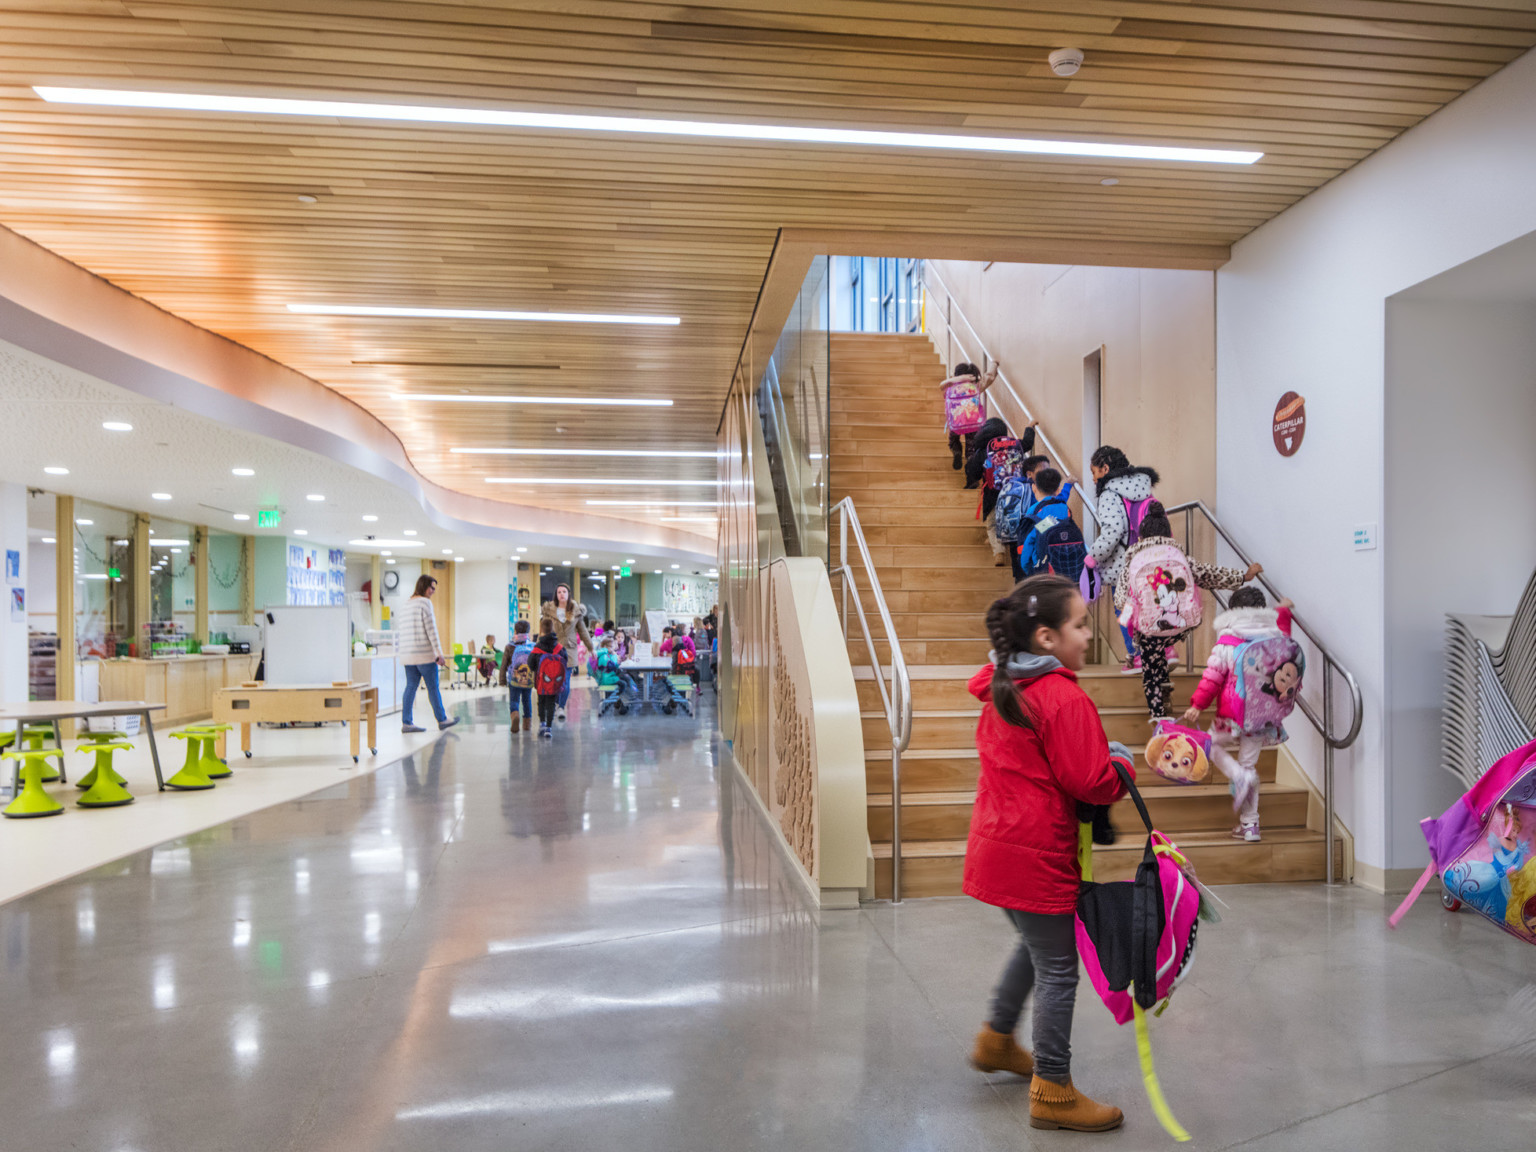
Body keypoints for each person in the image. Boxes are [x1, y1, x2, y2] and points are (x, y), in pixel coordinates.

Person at [964, 575, 1132, 1133]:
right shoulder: (1061, 696)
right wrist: (1125, 766)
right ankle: (1053, 1091)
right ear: (1045, 638)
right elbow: (1091, 782)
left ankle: (995, 1041)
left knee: (1037, 949)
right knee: (1059, 969)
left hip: (996, 848)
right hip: (1036, 855)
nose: (1088, 635)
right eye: (1080, 625)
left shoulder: (1003, 684)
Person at [1115, 502, 1261, 719]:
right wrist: (1242, 577)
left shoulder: (1132, 562)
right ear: (1169, 535)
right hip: (1180, 624)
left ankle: (1158, 713)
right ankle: (1165, 678)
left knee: (1150, 663)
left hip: (1149, 627)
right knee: (1160, 648)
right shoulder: (1179, 557)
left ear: (1141, 537)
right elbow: (1209, 574)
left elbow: (1120, 599)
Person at [1181, 587, 1295, 842]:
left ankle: (1238, 776)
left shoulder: (1227, 643)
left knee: (1210, 746)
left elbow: (1212, 678)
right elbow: (1286, 638)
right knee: (1249, 766)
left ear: (1233, 612)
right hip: (1262, 716)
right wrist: (1284, 611)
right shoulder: (1274, 637)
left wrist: (1197, 705)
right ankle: (1250, 826)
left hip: (1231, 715)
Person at [1083, 446, 1160, 673]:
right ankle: (1159, 654)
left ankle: (1137, 655)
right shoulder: (1143, 489)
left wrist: (1092, 557)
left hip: (1124, 567)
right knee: (1148, 609)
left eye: (1094, 471)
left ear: (1105, 469)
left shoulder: (1109, 494)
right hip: (1150, 561)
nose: (1093, 477)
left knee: (1125, 612)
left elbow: (1113, 531)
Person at [394, 573, 459, 734]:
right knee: (433, 688)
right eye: (432, 588)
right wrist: (439, 653)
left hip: (408, 656)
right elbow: (432, 630)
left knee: (410, 687)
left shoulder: (405, 605)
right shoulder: (425, 603)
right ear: (424, 586)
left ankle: (407, 722)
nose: (433, 591)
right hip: (424, 654)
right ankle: (442, 719)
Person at [1016, 467, 1083, 583]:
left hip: (1042, 568)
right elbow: (1062, 498)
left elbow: (1030, 539)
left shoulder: (1033, 511)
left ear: (1034, 488)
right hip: (1065, 566)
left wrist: (1027, 568)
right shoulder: (1062, 506)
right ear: (1057, 489)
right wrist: (1068, 484)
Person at [540, 583, 593, 722]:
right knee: (553, 679)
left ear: (569, 594)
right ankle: (555, 702)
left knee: (565, 680)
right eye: (559, 592)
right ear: (556, 595)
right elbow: (544, 630)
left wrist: (591, 647)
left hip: (569, 649)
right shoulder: (549, 610)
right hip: (552, 649)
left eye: (564, 591)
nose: (562, 594)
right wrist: (539, 647)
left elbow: (583, 631)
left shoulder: (575, 611)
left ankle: (561, 707)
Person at [941, 361, 997, 470]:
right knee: (971, 447)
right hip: (973, 423)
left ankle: (957, 451)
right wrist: (994, 364)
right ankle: (971, 469)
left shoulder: (950, 388)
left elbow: (941, 386)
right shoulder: (975, 386)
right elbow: (989, 378)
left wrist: (954, 379)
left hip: (955, 423)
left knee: (953, 440)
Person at [532, 628, 568, 738]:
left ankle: (542, 724)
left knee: (541, 702)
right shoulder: (560, 648)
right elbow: (565, 662)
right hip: (555, 682)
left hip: (541, 681)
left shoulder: (537, 648)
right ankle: (549, 727)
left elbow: (530, 663)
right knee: (551, 703)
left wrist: (536, 670)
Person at [500, 619, 535, 734]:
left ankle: (515, 715)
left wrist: (502, 680)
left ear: (515, 631)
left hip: (514, 679)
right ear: (528, 632)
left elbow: (504, 664)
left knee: (514, 700)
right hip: (528, 679)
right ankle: (527, 724)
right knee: (527, 700)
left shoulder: (510, 646)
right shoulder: (532, 646)